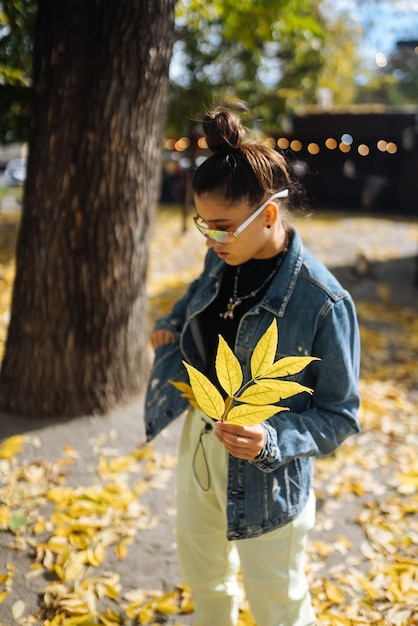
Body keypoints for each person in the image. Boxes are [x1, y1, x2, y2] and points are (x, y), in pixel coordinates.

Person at [144, 106, 360, 626]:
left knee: (278, 606)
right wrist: (172, 327)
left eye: (221, 227)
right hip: (200, 440)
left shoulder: (324, 302)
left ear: (267, 215)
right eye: (203, 225)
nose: (210, 240)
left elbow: (341, 415)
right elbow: (195, 300)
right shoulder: (222, 257)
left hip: (270, 476)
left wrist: (270, 439)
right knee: (205, 578)